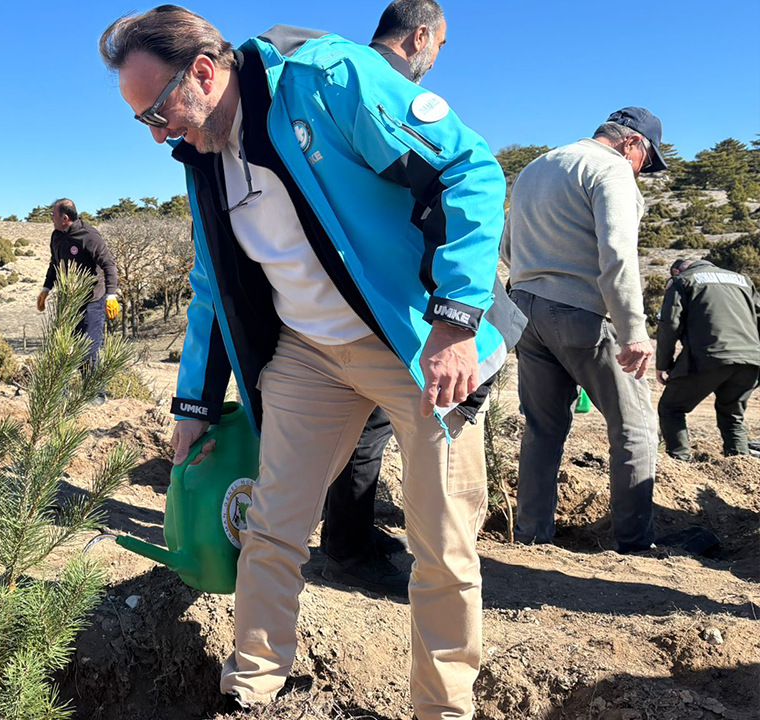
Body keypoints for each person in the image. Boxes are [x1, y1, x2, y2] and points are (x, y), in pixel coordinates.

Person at [99, 7, 523, 716]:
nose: (159, 132)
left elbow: (469, 171)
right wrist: (195, 408)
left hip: (415, 341)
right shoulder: (202, 157)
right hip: (310, 355)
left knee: (442, 544)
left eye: (158, 110)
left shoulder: (327, 81)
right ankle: (253, 686)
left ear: (204, 71)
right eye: (144, 120)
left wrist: (454, 320)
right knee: (273, 523)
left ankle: (442, 708)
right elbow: (210, 286)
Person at [320, 0, 477, 596]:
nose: (436, 60)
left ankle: (348, 536)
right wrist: (456, 314)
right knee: (385, 430)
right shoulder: (371, 83)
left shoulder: (336, 84)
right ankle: (351, 547)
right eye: (439, 46)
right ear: (419, 37)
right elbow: (467, 171)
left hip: (342, 308)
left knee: (366, 431)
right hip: (386, 306)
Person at [502, 107, 668, 553]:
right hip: (579, 313)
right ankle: (634, 543)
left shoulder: (537, 167)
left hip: (525, 312)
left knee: (542, 428)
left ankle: (532, 535)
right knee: (635, 425)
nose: (643, 173)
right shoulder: (611, 171)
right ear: (631, 142)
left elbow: (507, 246)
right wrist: (634, 330)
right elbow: (617, 256)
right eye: (646, 161)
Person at [656, 257, 760, 459]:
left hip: (706, 357)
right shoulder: (742, 280)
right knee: (732, 415)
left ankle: (680, 463)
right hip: (750, 360)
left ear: (676, 272)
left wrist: (664, 364)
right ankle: (740, 466)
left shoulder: (682, 281)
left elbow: (669, 325)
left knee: (671, 408)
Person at [37, 198, 119, 401]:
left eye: (53, 215)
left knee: (88, 349)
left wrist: (111, 295)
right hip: (67, 301)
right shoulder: (57, 236)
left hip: (92, 301)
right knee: (62, 346)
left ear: (65, 218)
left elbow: (109, 265)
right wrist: (46, 289)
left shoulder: (89, 236)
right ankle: (59, 395)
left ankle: (95, 396)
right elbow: (54, 264)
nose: (51, 219)